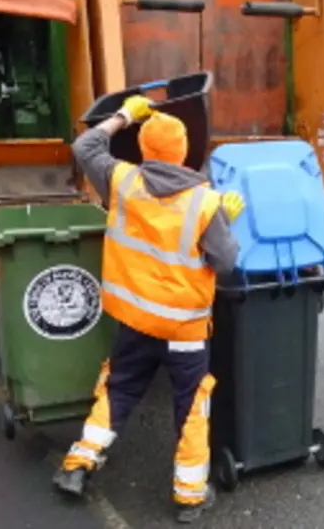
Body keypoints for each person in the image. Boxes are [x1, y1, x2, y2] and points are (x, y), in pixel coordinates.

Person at [52, 95, 246, 523]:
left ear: (144, 149)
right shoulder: (205, 203)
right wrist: (226, 221)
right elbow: (227, 263)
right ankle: (189, 497)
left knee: (118, 389)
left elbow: (85, 148)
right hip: (185, 332)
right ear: (183, 150)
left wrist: (123, 116)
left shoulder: (122, 181)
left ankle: (78, 465)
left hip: (137, 322)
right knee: (192, 405)